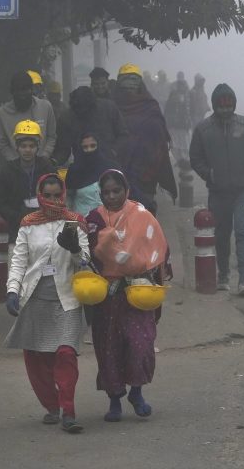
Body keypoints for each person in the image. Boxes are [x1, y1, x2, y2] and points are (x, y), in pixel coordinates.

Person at [4, 173, 89, 433]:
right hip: (36, 299)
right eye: (48, 195)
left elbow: (85, 261)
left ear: (63, 194)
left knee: (65, 354)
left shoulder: (75, 222)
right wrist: (12, 290)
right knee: (35, 356)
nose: (53, 200)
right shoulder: (28, 224)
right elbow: (19, 261)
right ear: (40, 195)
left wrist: (74, 248)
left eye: (57, 195)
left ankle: (68, 410)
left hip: (67, 300)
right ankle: (51, 406)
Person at [85, 169, 170, 423]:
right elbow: (88, 250)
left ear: (126, 190)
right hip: (107, 296)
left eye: (116, 191)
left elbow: (159, 247)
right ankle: (114, 400)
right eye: (107, 192)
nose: (112, 196)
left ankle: (136, 392)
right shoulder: (94, 219)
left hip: (137, 292)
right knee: (109, 348)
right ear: (100, 194)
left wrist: (150, 267)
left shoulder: (141, 215)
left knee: (140, 343)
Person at [188, 84, 244, 296]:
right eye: (221, 106)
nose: (225, 110)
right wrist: (209, 174)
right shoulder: (203, 129)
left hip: (243, 190)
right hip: (218, 191)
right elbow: (195, 158)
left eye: (229, 106)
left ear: (234, 104)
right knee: (221, 235)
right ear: (214, 106)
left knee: (242, 231)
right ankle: (223, 275)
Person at [112, 63, 177, 215]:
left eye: (133, 82)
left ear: (140, 84)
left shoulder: (150, 107)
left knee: (143, 221)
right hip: (116, 175)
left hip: (145, 175)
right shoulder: (111, 107)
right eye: (125, 82)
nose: (129, 87)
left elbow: (160, 142)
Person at [0, 120, 57, 247]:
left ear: (38, 147)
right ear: (17, 147)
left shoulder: (48, 168)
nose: (27, 150)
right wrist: (19, 217)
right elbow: (1, 205)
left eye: (31, 146)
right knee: (17, 267)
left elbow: (58, 197)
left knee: (46, 266)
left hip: (46, 230)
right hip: (18, 232)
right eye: (23, 146)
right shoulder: (7, 171)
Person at [52, 85, 127, 165]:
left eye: (85, 109)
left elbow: (123, 134)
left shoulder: (109, 109)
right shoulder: (67, 118)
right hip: (82, 166)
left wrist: (113, 151)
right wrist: (54, 162)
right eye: (78, 109)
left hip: (109, 164)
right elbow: (63, 149)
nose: (82, 111)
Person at [0, 70, 58, 163]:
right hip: (15, 168)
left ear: (32, 90)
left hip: (42, 164)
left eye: (25, 91)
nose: (22, 96)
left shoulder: (45, 107)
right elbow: (2, 143)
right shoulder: (2, 113)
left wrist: (44, 157)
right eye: (18, 92)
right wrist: (16, 162)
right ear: (12, 92)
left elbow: (51, 136)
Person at [65, 133, 116, 217]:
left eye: (93, 146)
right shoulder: (74, 170)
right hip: (81, 222)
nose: (89, 150)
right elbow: (68, 199)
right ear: (80, 149)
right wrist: (70, 228)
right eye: (85, 147)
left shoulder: (111, 168)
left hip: (109, 222)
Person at [164, 77, 192, 162]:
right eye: (181, 85)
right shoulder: (173, 95)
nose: (182, 87)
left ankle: (184, 160)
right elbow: (168, 109)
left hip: (183, 124)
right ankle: (179, 160)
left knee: (184, 143)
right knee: (175, 143)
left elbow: (190, 109)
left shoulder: (188, 95)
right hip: (175, 124)